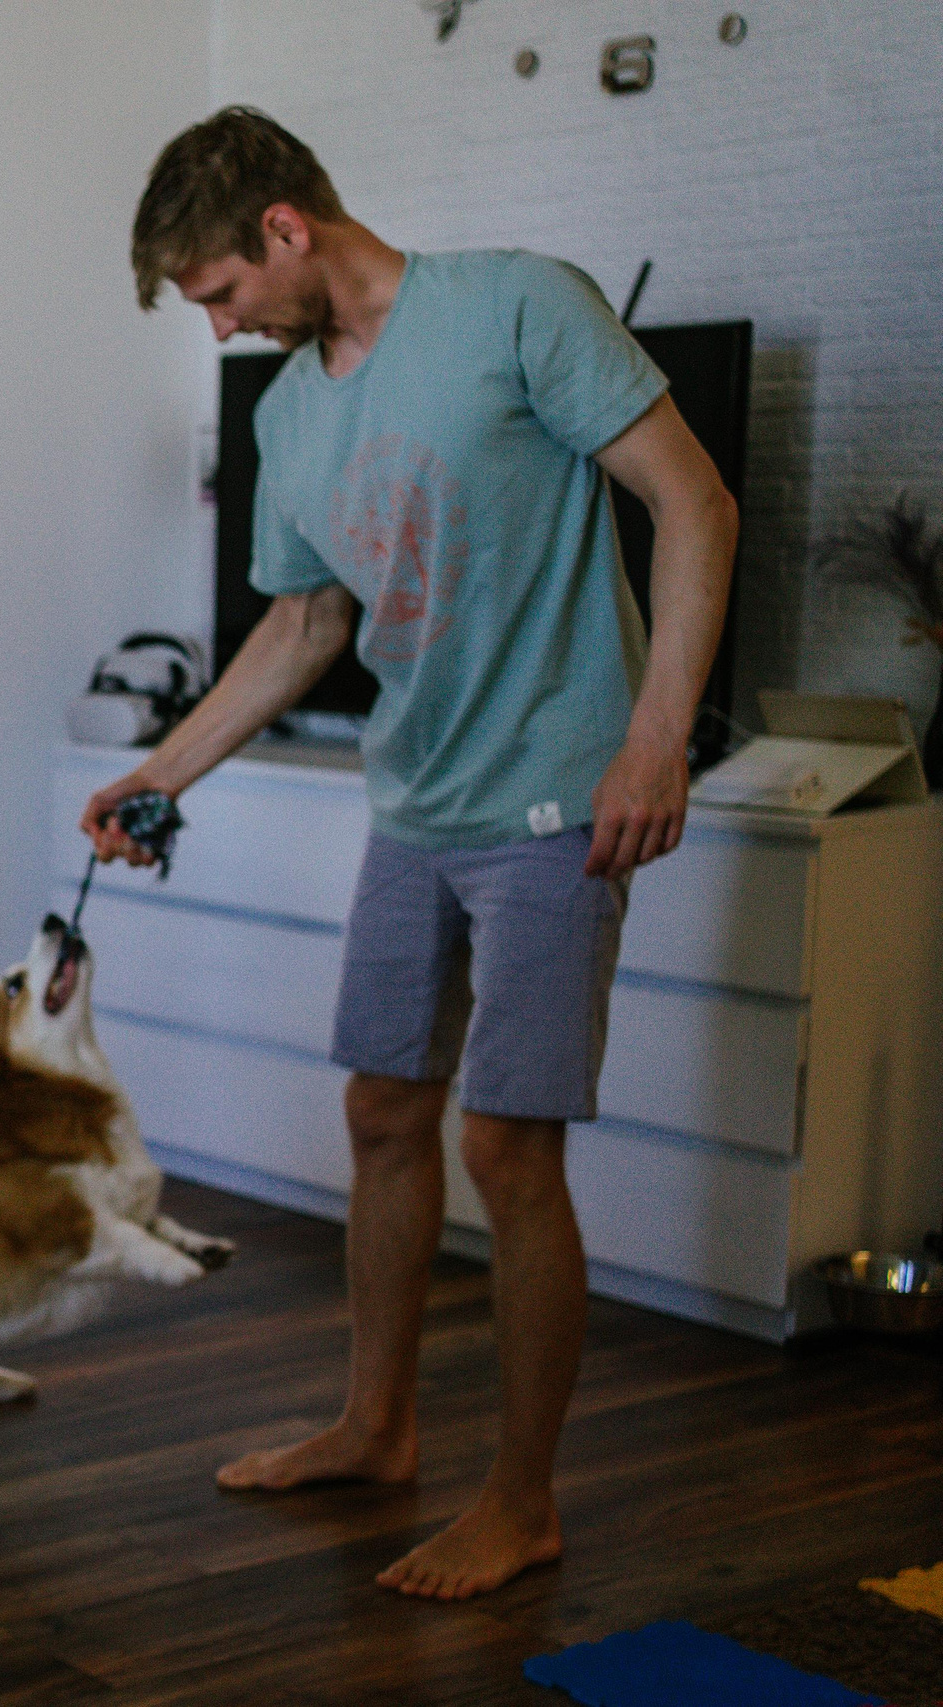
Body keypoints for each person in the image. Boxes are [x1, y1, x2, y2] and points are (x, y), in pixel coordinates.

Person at [84, 108, 738, 1600]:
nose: (223, 325)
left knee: (508, 1146)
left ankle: (524, 1500)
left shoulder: (519, 305)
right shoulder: (291, 413)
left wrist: (658, 735)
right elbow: (307, 625)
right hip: (415, 804)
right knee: (386, 1110)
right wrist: (160, 767)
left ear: (287, 229)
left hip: (556, 802)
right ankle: (376, 1426)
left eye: (221, 293)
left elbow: (693, 501)